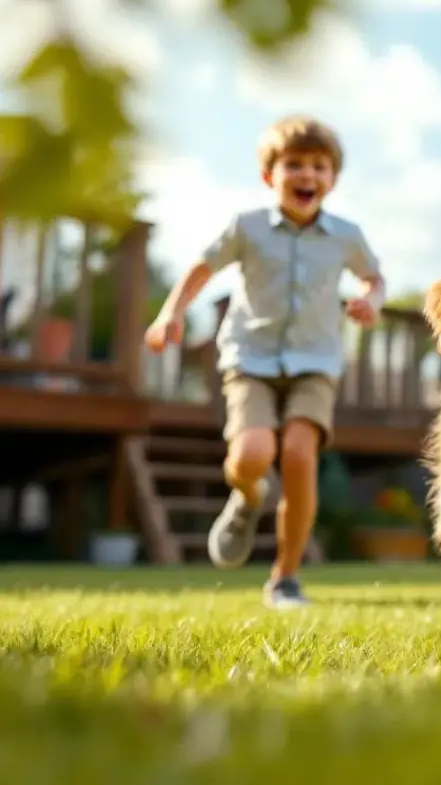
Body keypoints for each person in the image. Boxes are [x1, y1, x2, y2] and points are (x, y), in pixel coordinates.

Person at [144, 115, 385, 609]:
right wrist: (171, 313)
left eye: (318, 166)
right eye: (294, 164)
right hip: (250, 359)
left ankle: (285, 577)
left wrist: (371, 301)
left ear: (332, 179)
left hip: (315, 363)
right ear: (269, 175)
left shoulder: (346, 236)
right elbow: (202, 268)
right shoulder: (247, 227)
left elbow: (373, 277)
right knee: (252, 456)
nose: (307, 174)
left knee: (299, 455)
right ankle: (249, 496)